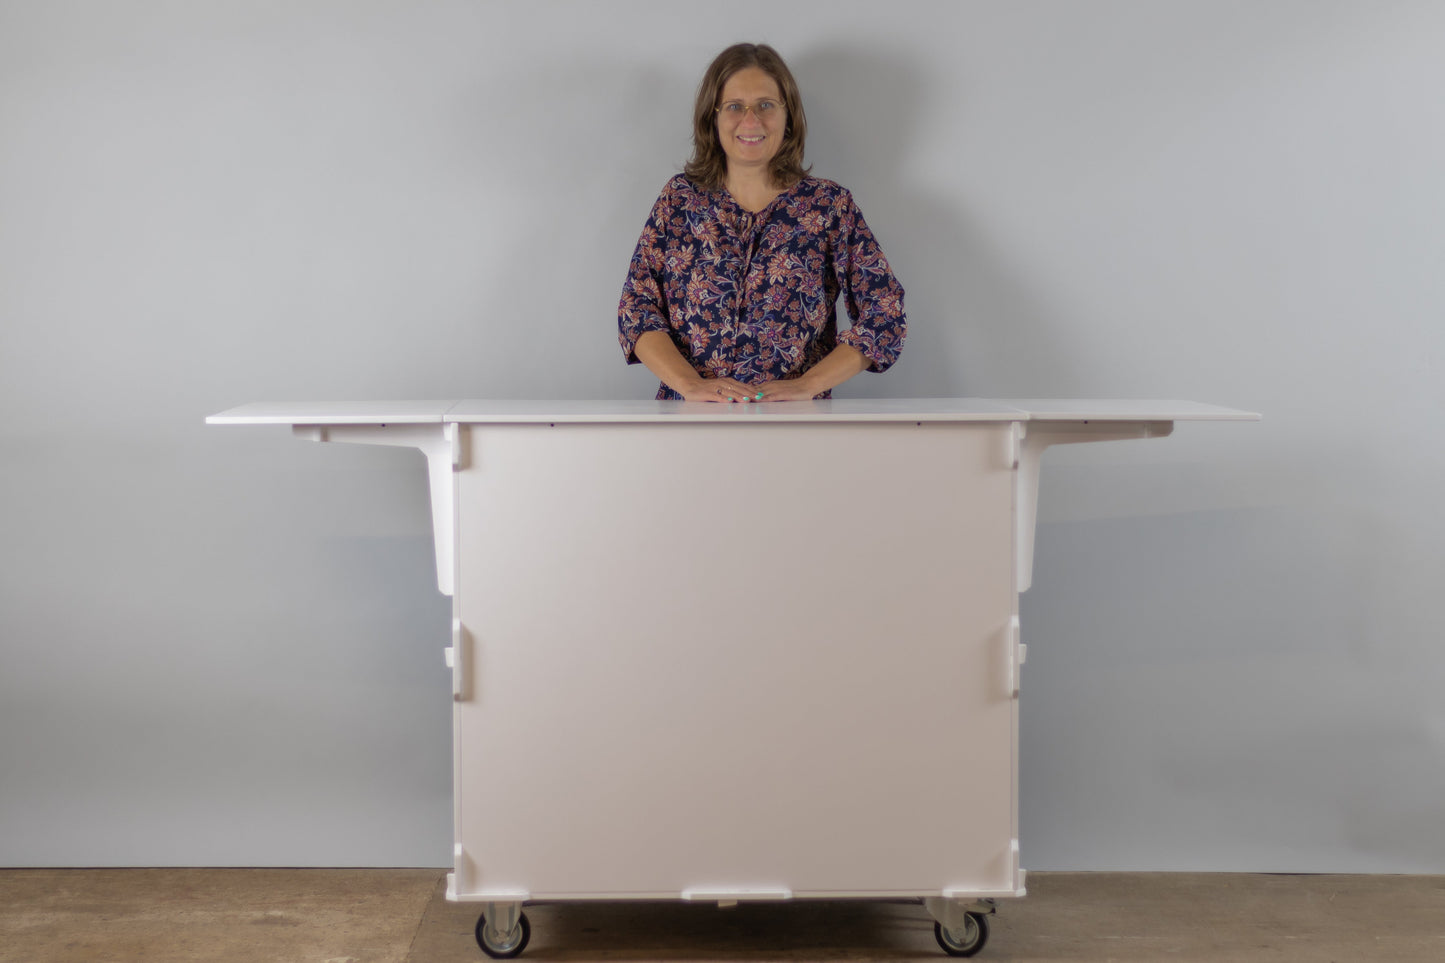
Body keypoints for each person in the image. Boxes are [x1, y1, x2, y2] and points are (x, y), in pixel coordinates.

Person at [617, 43, 906, 403]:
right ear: (713, 117)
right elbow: (637, 306)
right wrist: (689, 384)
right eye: (735, 106)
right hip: (691, 426)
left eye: (766, 105)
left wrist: (808, 384)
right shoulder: (679, 201)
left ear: (788, 117)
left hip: (794, 428)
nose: (751, 121)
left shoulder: (829, 207)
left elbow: (885, 311)